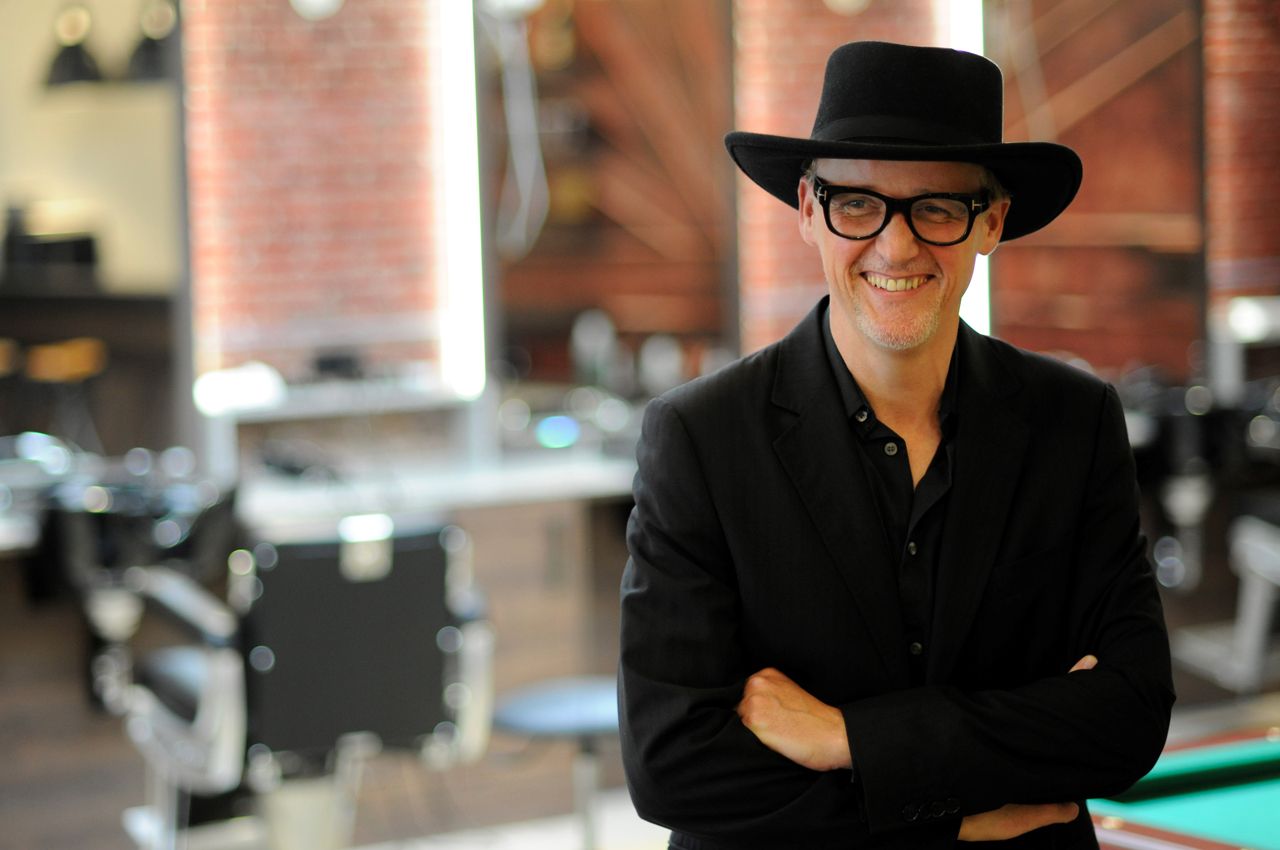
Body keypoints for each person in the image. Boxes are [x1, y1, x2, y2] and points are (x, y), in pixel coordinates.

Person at [617, 40, 1174, 850]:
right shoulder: (700, 436)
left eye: (938, 208)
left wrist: (847, 738)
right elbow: (674, 765)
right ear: (808, 209)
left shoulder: (1074, 420)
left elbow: (1128, 719)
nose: (896, 246)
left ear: (992, 222)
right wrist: (950, 818)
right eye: (856, 204)